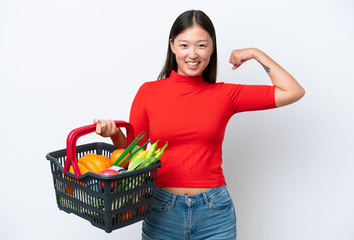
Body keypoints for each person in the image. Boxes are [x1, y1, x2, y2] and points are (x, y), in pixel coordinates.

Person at [94, 10, 305, 240]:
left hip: (214, 213)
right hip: (161, 210)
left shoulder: (225, 94)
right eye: (184, 45)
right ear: (172, 46)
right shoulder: (149, 92)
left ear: (212, 48)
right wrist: (114, 134)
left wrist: (256, 53)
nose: (192, 54)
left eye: (202, 45)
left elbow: (293, 91)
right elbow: (132, 157)